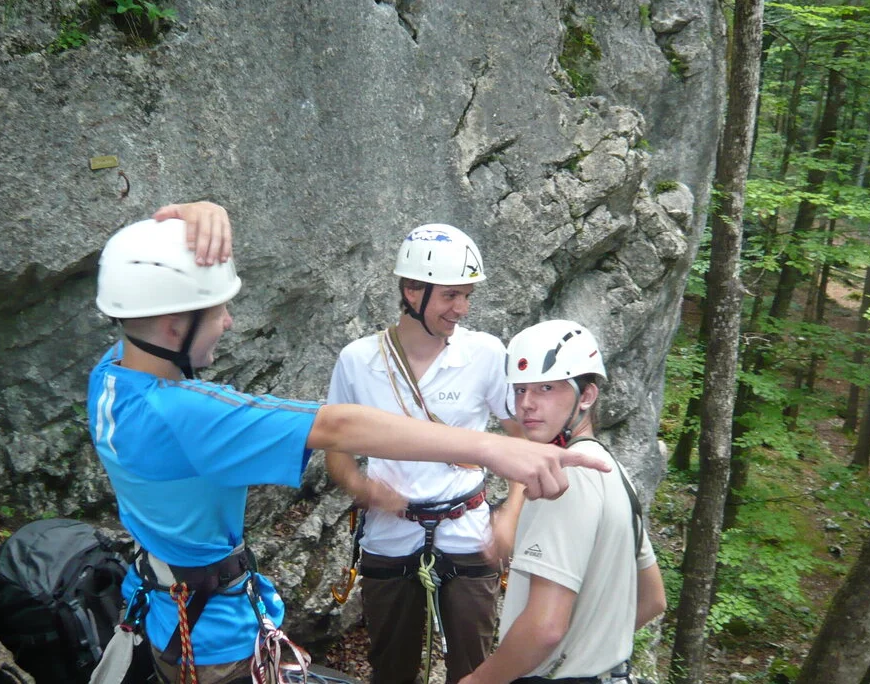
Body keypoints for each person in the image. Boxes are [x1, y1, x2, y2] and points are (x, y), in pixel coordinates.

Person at [86, 204, 612, 684]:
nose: (229, 322)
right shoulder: (189, 415)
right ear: (174, 326)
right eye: (219, 308)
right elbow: (338, 428)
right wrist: (491, 449)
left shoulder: (112, 379)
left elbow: (142, 301)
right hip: (217, 641)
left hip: (167, 614)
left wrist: (190, 220)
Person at [324, 224, 523, 684]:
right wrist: (362, 487)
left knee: (474, 671)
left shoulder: (485, 354)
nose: (462, 308)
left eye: (466, 295)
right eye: (451, 295)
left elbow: (523, 442)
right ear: (412, 291)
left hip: (467, 531)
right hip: (390, 535)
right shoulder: (359, 361)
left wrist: (510, 516)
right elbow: (335, 450)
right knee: (391, 670)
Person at [460, 320, 667, 684]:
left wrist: (478, 681)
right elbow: (652, 599)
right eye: (520, 389)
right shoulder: (612, 471)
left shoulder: (561, 480)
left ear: (586, 396)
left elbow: (544, 627)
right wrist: (589, 648)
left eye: (546, 388)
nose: (527, 404)